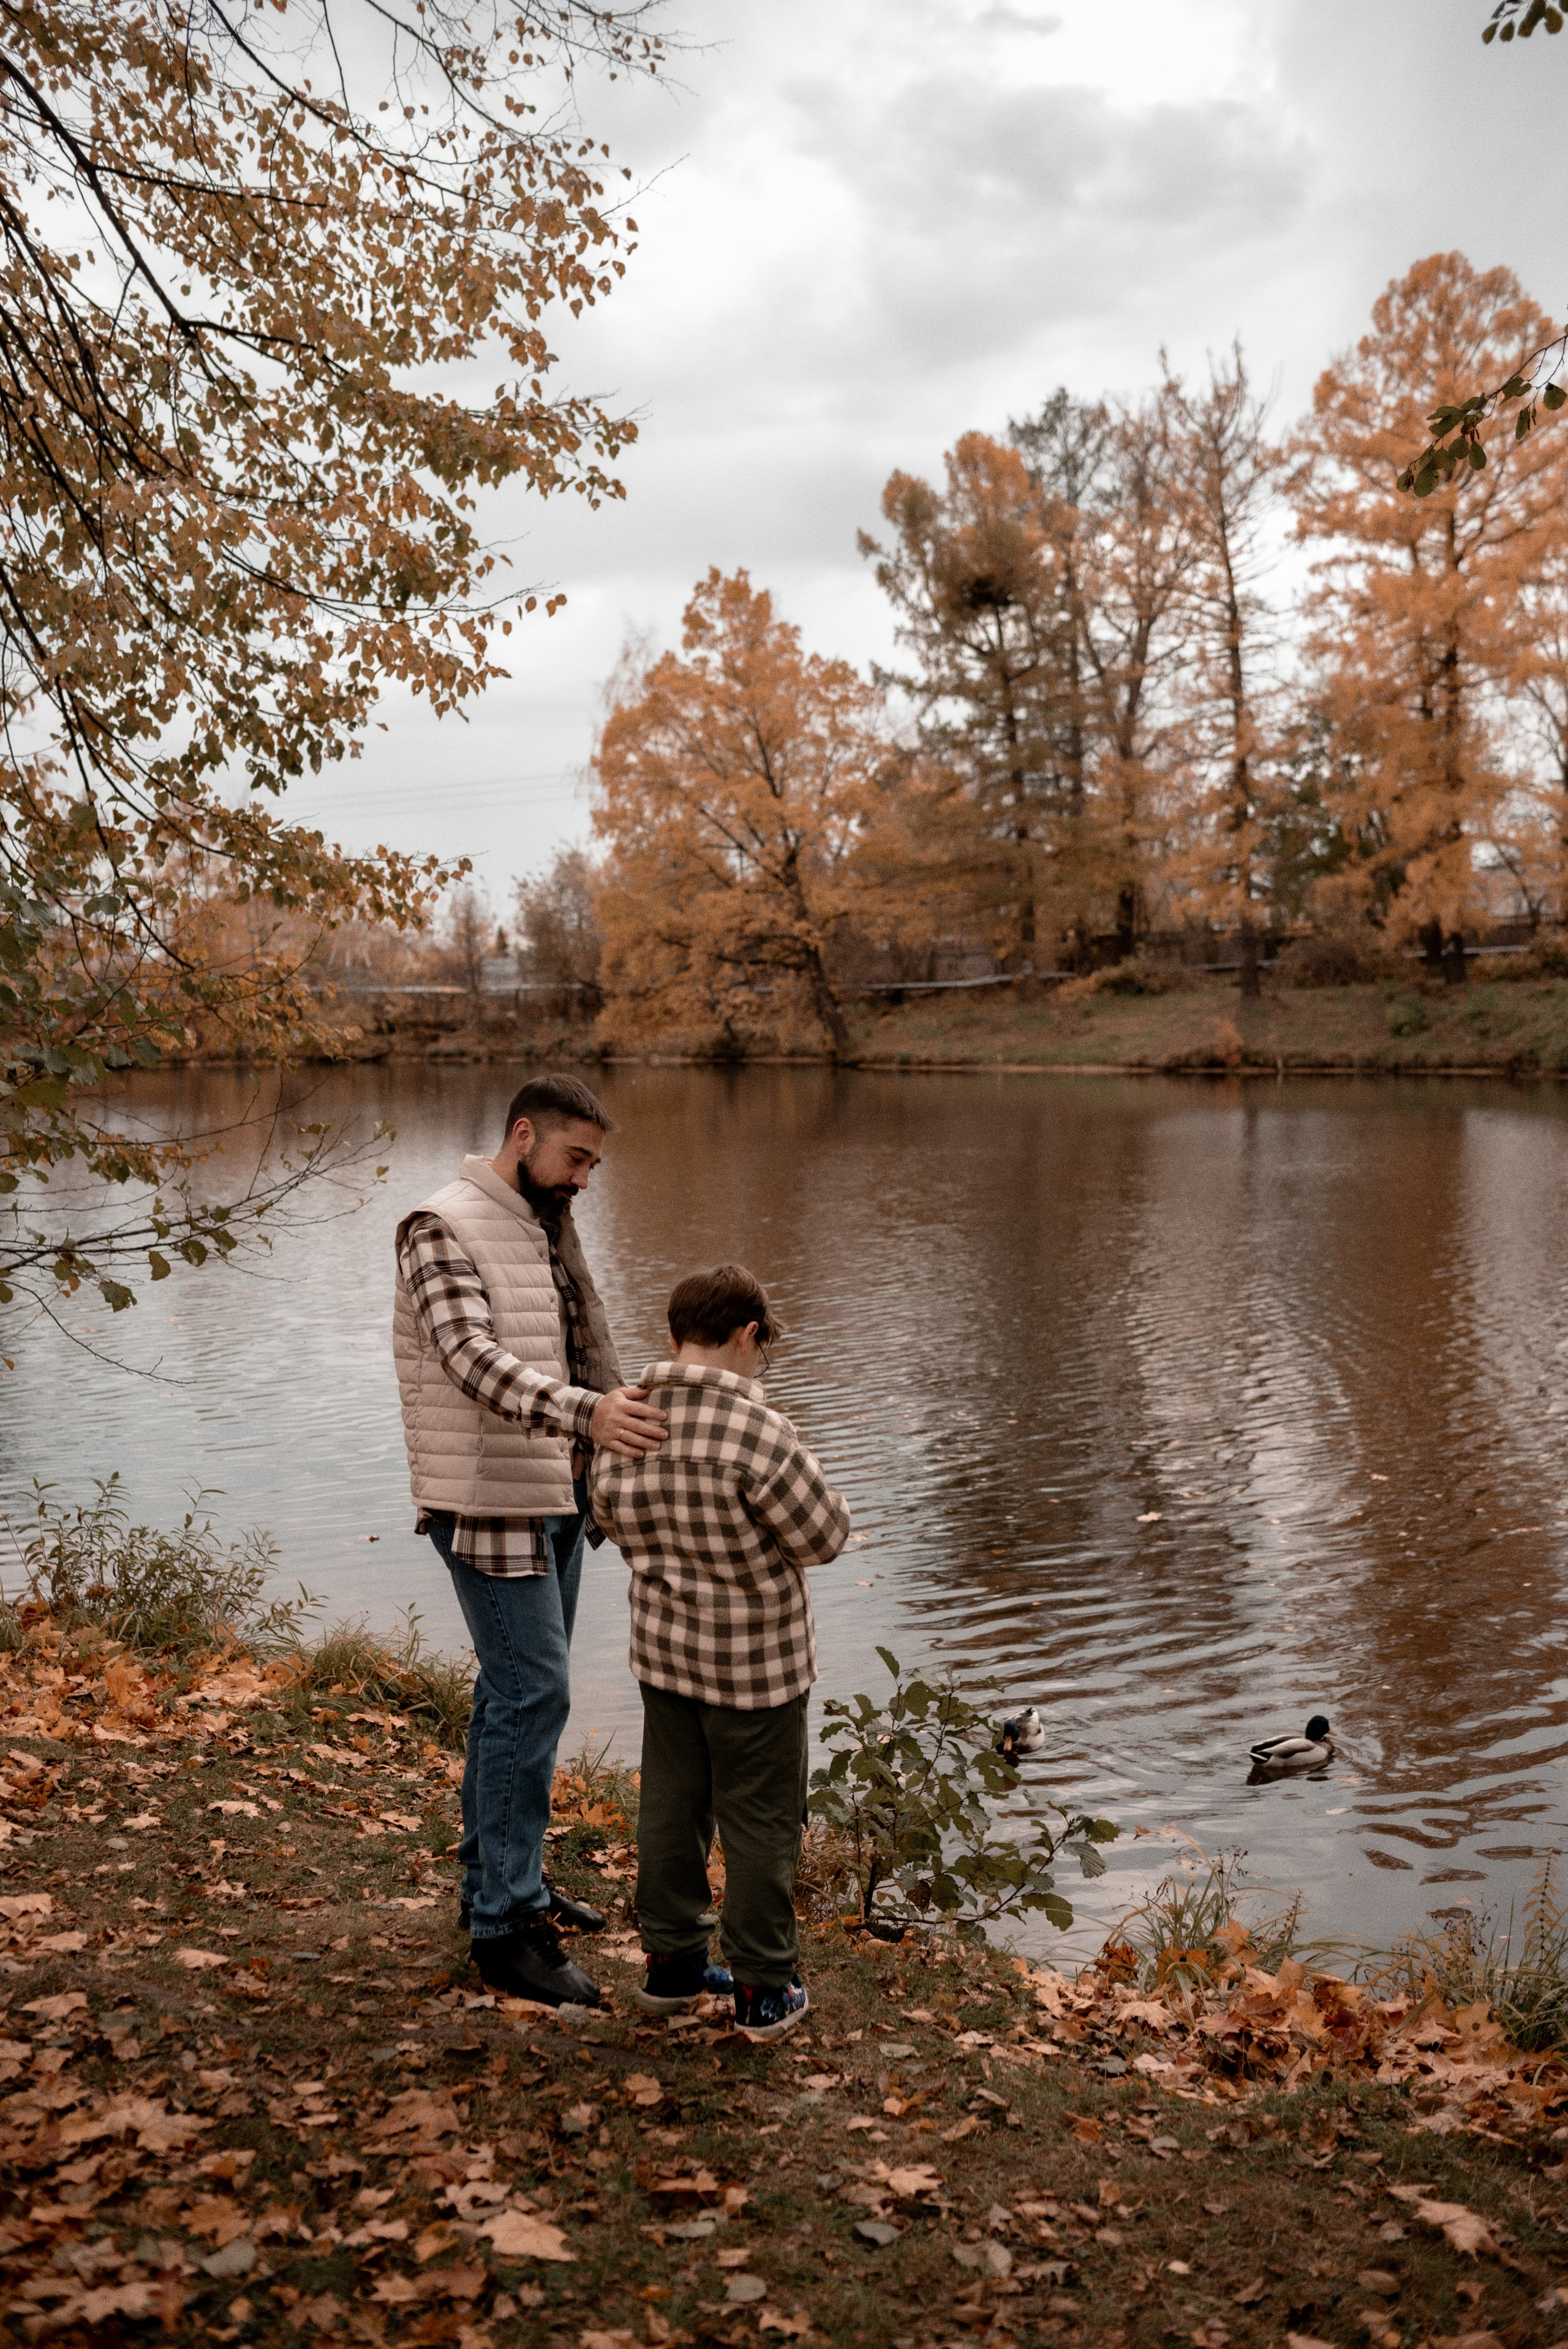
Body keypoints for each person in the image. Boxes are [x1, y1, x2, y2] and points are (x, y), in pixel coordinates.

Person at [393, 1073, 666, 2008]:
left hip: (553, 1491)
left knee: (511, 1693)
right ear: (523, 1135)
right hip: (484, 1500)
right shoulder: (439, 1224)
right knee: (532, 1689)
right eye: (576, 1157)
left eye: (594, 1162)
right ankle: (504, 1928)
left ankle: (500, 1877)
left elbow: (567, 1348)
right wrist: (591, 1414)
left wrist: (603, 1447)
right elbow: (472, 1360)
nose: (585, 1177)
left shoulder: (545, 1223)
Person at [591, 1263, 851, 2039]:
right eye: (759, 1348)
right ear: (746, 1336)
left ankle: (671, 1967)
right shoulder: (757, 1429)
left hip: (664, 1653)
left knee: (672, 1810)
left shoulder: (624, 1417)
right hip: (756, 1667)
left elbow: (606, 1516)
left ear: (673, 1335)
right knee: (761, 1821)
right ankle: (765, 1984)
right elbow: (824, 1537)